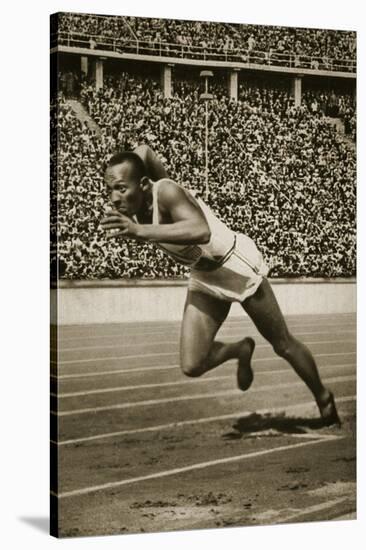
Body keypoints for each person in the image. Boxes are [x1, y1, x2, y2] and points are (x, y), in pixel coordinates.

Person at [101, 144, 341, 426]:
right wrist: (135, 188)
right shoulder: (137, 205)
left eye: (120, 188)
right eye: (110, 190)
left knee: (283, 344)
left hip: (234, 265)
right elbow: (142, 151)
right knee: (191, 364)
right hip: (204, 276)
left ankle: (324, 398)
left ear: (142, 184)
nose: (114, 198)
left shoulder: (165, 192)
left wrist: (140, 230)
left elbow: (201, 231)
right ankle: (239, 349)